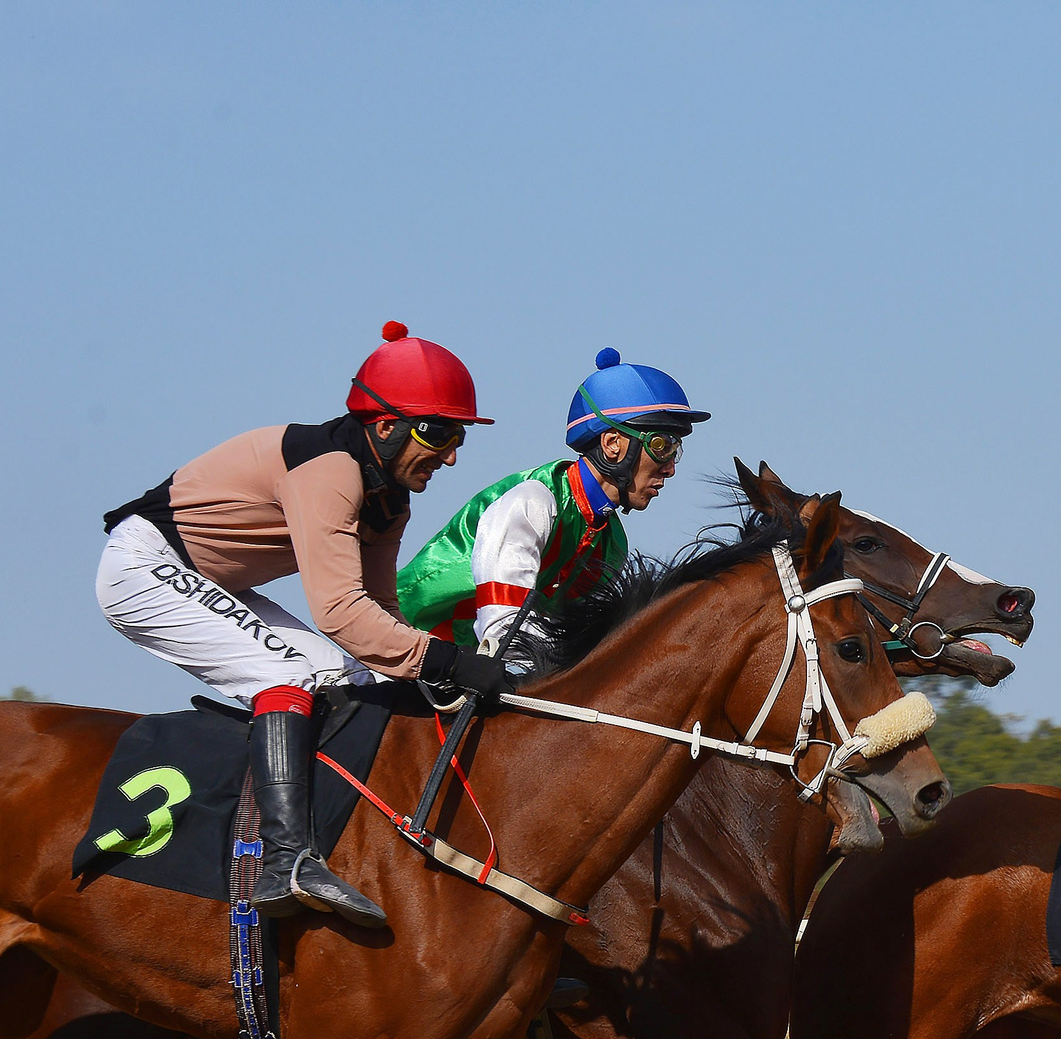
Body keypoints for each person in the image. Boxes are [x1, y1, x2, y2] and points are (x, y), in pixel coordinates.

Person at [95, 322, 518, 929]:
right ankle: (283, 859)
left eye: (459, 436)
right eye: (439, 433)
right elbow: (340, 612)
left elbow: (380, 613)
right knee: (290, 674)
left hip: (210, 579)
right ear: (385, 426)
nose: (450, 455)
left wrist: (436, 673)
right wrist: (449, 660)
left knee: (353, 678)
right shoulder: (330, 470)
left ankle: (351, 838)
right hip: (144, 566)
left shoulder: (389, 498)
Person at [399, 348, 707, 663]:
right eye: (661, 445)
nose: (670, 468)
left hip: (464, 666)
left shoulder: (612, 544)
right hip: (400, 653)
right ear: (612, 443)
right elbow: (504, 629)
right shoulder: (533, 501)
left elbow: (572, 637)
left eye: (676, 449)